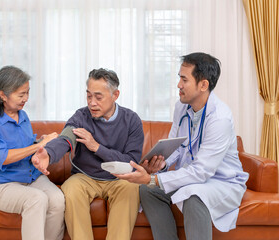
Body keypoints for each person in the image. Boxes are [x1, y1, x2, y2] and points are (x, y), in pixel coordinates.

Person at [114, 52, 249, 240]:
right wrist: (160, 164)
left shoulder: (220, 119)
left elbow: (202, 172)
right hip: (194, 178)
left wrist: (152, 179)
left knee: (194, 197)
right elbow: (176, 146)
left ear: (203, 85)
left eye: (184, 79)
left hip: (222, 182)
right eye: (179, 78)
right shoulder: (181, 107)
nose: (178, 85)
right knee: (148, 191)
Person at [33, 68, 155, 240]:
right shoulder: (81, 116)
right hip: (85, 177)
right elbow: (66, 137)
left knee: (131, 188)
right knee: (70, 188)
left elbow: (131, 162)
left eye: (98, 97)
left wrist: (96, 147)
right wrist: (49, 154)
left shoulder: (131, 120)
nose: (92, 103)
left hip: (119, 178)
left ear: (115, 95)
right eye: (89, 96)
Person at [0, 66, 65, 240]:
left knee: (57, 199)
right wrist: (38, 145)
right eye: (21, 94)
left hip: (30, 178)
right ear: (2, 95)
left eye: (27, 92)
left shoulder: (22, 115)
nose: (26, 98)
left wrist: (40, 143)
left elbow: (25, 146)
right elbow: (2, 157)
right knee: (37, 199)